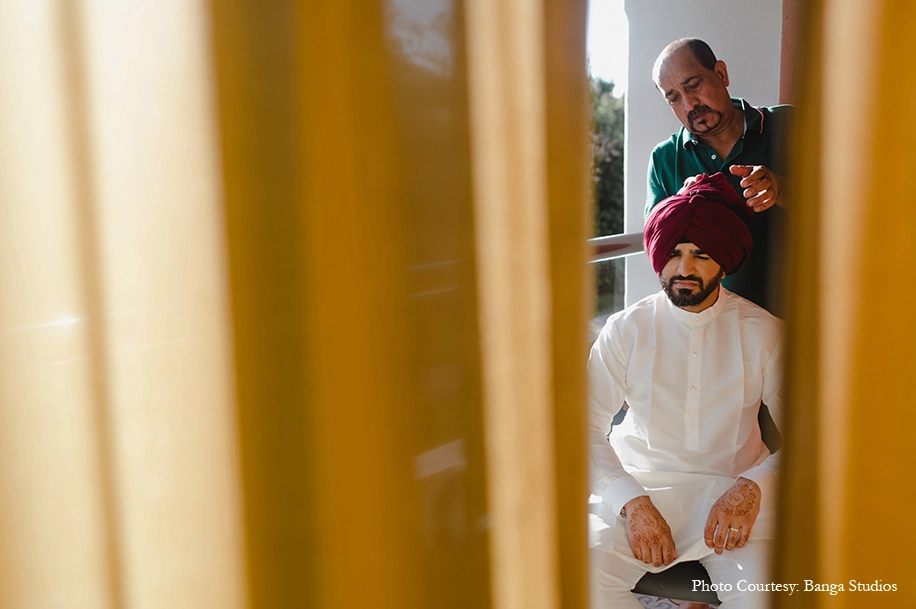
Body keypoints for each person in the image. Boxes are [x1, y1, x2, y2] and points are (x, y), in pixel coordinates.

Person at [589, 173, 783, 609]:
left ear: (724, 263)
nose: (684, 270)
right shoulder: (626, 329)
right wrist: (629, 500)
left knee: (767, 595)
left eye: (701, 255)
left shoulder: (765, 332)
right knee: (581, 577)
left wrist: (754, 487)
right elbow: (580, 425)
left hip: (734, 498)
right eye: (673, 253)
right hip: (638, 492)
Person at [646, 38, 792, 312]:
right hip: (713, 325)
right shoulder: (664, 158)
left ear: (721, 74)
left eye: (693, 85)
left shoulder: (789, 125)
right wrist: (681, 208)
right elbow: (658, 250)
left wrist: (781, 189)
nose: (689, 104)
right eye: (674, 98)